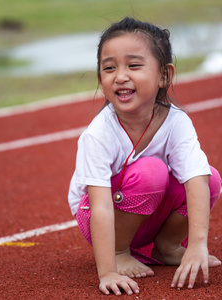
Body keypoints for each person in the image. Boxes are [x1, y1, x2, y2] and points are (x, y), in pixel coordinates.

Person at [68, 17, 221, 296]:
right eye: (109, 67)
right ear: (100, 79)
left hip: (148, 214)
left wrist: (199, 243)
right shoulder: (98, 134)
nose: (121, 76)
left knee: (208, 178)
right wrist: (108, 271)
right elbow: (100, 207)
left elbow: (196, 176)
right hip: (102, 218)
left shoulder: (177, 122)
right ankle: (120, 250)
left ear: (165, 75)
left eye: (134, 65)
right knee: (151, 171)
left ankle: (167, 246)